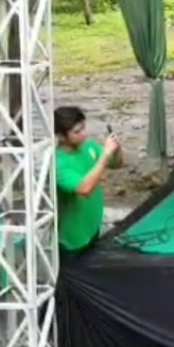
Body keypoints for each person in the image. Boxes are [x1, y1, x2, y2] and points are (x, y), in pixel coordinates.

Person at [54, 106, 122, 256]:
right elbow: (84, 189)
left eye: (83, 128)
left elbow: (116, 164)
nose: (84, 134)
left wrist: (117, 149)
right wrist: (105, 155)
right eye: (77, 132)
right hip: (73, 241)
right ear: (61, 136)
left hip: (93, 228)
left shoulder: (88, 146)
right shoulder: (59, 163)